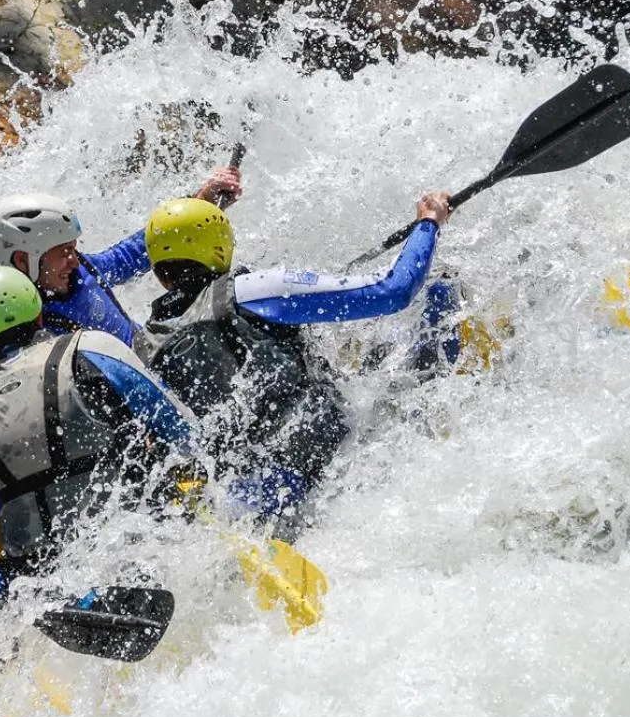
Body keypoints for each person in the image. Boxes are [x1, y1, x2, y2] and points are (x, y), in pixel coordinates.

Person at [137, 192, 452, 517]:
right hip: (331, 461)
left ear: (159, 270)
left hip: (239, 490)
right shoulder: (254, 290)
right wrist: (429, 222)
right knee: (441, 289)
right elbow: (393, 291)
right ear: (220, 246)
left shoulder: (148, 342)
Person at [0, 267, 197, 571]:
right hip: (135, 543)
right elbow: (177, 426)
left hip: (44, 574)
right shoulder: (92, 347)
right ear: (40, 316)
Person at [0, 164, 240, 384]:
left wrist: (202, 202)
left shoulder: (81, 271)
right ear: (22, 259)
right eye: (63, 252)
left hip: (154, 363)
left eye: (74, 250)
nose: (74, 261)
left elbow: (132, 254)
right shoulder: (5, 323)